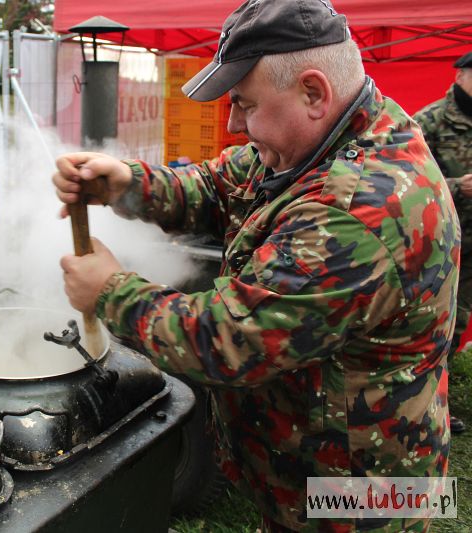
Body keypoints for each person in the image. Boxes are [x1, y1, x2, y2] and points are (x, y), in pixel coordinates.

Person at [53, 0, 459, 531]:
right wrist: (127, 183)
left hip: (359, 495)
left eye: (245, 104)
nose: (233, 122)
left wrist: (110, 291)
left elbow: (229, 340)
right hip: (315, 468)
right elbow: (218, 185)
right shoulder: (323, 138)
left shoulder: (360, 210)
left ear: (313, 93)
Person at [413, 51, 472, 435]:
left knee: (457, 323)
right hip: (445, 244)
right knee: (442, 327)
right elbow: (406, 182)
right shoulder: (429, 121)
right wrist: (456, 186)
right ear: (462, 76)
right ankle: (432, 407)